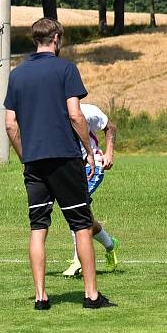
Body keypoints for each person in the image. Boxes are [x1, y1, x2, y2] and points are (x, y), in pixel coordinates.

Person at [3, 17, 114, 309]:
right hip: (65, 157)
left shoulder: (17, 75)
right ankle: (91, 295)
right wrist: (90, 153)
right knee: (80, 224)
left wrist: (25, 157)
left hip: (34, 161)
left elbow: (10, 125)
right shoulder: (66, 69)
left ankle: (40, 297)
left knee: (38, 227)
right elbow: (76, 115)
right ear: (56, 39)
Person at [62, 103, 121, 276]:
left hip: (92, 166)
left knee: (76, 209)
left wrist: (109, 153)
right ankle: (111, 245)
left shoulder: (88, 111)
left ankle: (77, 260)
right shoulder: (52, 113)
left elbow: (110, 127)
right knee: (85, 216)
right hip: (69, 169)